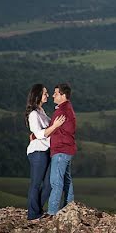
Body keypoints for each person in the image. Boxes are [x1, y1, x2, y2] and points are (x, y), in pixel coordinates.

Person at [25, 84, 65, 220]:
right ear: (37, 95)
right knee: (36, 183)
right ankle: (32, 214)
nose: (47, 95)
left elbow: (51, 130)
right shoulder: (33, 114)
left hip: (47, 151)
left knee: (49, 183)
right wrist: (55, 126)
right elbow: (41, 133)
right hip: (37, 152)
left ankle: (37, 210)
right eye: (45, 93)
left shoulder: (41, 111)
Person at [46, 82, 76, 215]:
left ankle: (52, 212)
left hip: (60, 150)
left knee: (56, 182)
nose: (53, 96)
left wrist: (34, 136)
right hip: (67, 149)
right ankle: (70, 209)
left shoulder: (62, 111)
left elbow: (50, 130)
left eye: (56, 93)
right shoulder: (68, 108)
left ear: (63, 95)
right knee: (66, 180)